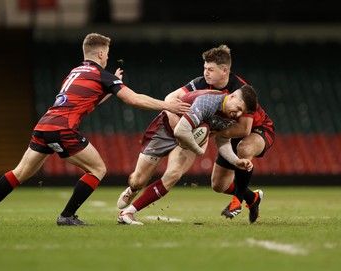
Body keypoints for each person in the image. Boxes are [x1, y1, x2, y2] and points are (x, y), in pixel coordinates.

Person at [0, 33, 191, 226]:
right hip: (63, 128)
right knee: (97, 169)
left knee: (20, 173)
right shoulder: (102, 75)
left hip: (45, 124)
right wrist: (166, 104)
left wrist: (109, 89)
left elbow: (87, 101)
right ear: (102, 54)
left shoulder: (75, 72)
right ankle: (67, 215)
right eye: (107, 53)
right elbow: (133, 99)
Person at [117, 44, 275, 224]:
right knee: (218, 185)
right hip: (174, 128)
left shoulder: (240, 92)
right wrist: (177, 117)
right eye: (205, 68)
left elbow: (243, 130)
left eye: (210, 69)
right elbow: (171, 98)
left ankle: (237, 201)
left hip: (250, 130)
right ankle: (252, 198)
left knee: (177, 172)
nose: (206, 72)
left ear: (224, 71)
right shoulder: (202, 87)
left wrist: (208, 132)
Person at [117, 85, 257, 225]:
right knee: (138, 180)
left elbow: (223, 141)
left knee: (174, 175)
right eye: (238, 108)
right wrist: (199, 150)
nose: (238, 114)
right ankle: (133, 189)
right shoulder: (208, 102)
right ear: (232, 96)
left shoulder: (230, 114)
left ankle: (128, 212)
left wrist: (236, 161)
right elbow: (180, 131)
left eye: (242, 112)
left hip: (189, 136)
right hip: (166, 130)